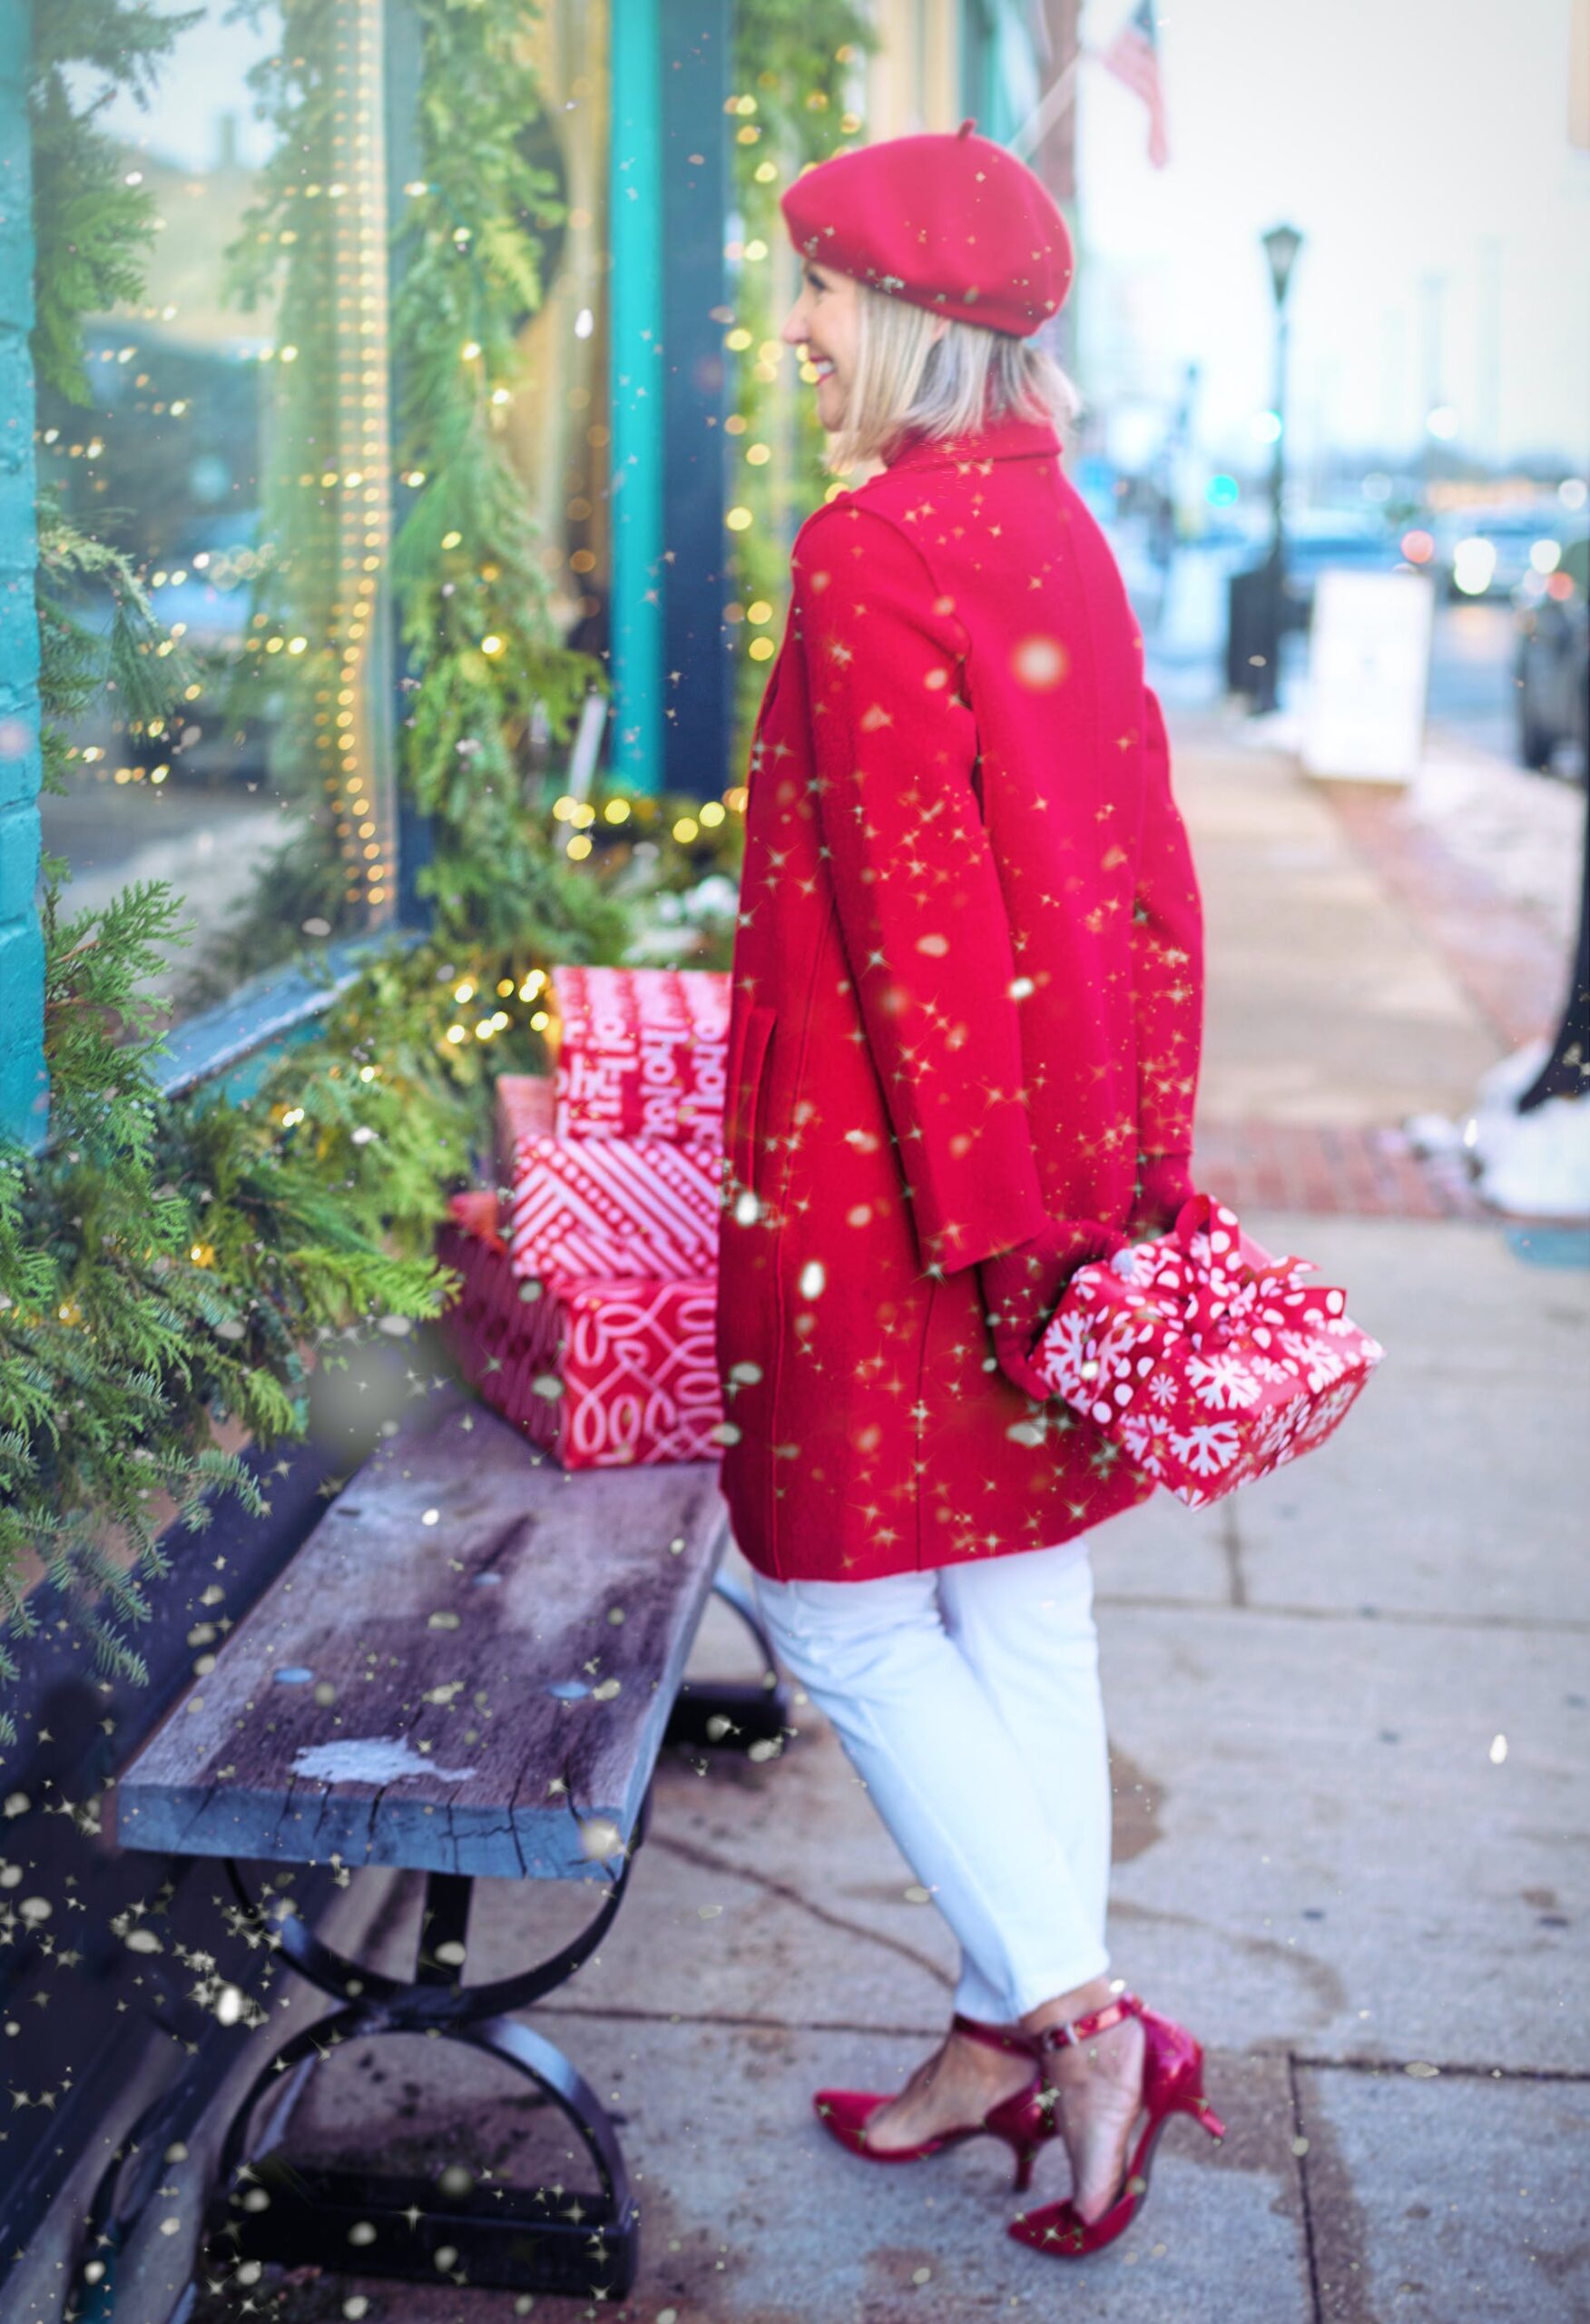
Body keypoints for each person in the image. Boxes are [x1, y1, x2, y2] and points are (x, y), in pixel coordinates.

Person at [713, 121, 1221, 2262]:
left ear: (908, 318)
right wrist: (1120, 1188)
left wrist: (988, 1235)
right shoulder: (1052, 535)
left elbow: (926, 936)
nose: (798, 321)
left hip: (899, 1180)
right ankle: (993, 2033)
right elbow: (1139, 886)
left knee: (824, 1607)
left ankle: (1079, 2020)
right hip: (1042, 1159)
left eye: (821, 283)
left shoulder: (872, 549)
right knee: (1019, 1595)